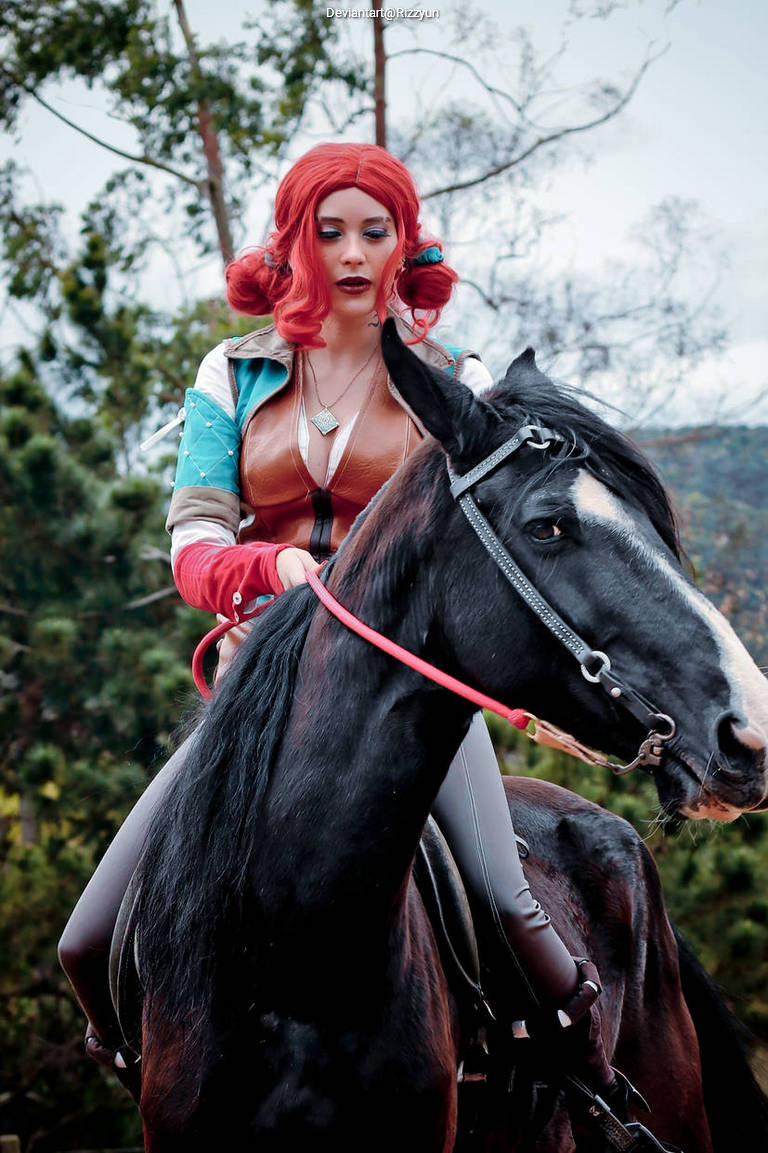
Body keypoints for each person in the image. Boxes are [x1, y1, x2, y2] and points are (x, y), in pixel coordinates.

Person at [58, 142, 614, 1101]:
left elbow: (484, 543)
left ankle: (595, 1087)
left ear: (403, 245)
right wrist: (265, 563)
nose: (352, 252)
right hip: (261, 694)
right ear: (295, 245)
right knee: (89, 937)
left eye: (375, 230)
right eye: (329, 231)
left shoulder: (454, 377)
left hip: (414, 692)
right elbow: (193, 543)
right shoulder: (230, 373)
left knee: (513, 905)